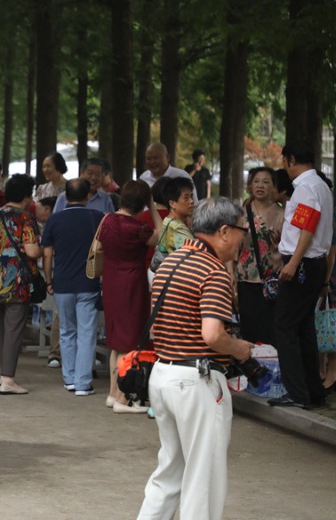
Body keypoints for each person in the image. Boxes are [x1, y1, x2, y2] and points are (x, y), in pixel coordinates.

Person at [137, 197, 254, 520]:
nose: (244, 239)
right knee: (204, 478)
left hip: (162, 375)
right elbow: (213, 335)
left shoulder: (171, 262)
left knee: (170, 472)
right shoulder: (214, 272)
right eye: (243, 230)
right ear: (225, 231)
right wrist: (240, 349)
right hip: (196, 380)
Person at [269, 141, 333, 409]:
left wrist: (293, 262)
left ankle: (296, 392)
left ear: (292, 159)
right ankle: (312, 391)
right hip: (314, 262)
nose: (285, 166)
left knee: (284, 326)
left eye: (285, 161)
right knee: (304, 328)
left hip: (303, 263)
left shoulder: (306, 187)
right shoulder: (320, 185)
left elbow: (308, 227)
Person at [98, 180, 162, 413]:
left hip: (111, 282)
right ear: (142, 203)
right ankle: (123, 399)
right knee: (131, 342)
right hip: (132, 283)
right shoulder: (138, 228)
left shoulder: (106, 220)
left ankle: (113, 392)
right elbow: (160, 235)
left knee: (116, 342)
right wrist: (153, 207)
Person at [42, 179, 104, 396]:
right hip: (88, 282)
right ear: (88, 195)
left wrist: (49, 280)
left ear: (65, 196)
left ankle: (69, 378)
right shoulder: (97, 218)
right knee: (87, 333)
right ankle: (83, 382)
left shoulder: (54, 220)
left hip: (62, 283)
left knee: (67, 331)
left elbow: (48, 253)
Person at [0, 174, 42, 395]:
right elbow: (32, 250)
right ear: (27, 195)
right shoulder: (25, 218)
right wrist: (44, 247)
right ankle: (8, 379)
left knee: (4, 331)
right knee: (14, 331)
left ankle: (3, 375)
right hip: (15, 281)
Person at [236, 167, 283, 345]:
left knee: (269, 328)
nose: (260, 186)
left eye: (266, 182)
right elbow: (233, 246)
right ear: (250, 185)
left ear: (273, 187)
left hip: (272, 280)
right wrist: (230, 271)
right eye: (256, 181)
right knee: (248, 326)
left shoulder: (282, 214)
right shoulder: (241, 213)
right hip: (245, 276)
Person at [152, 177, 195, 270]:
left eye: (192, 196)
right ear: (172, 204)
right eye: (186, 198)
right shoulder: (176, 227)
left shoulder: (169, 221)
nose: (191, 201)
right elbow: (196, 256)